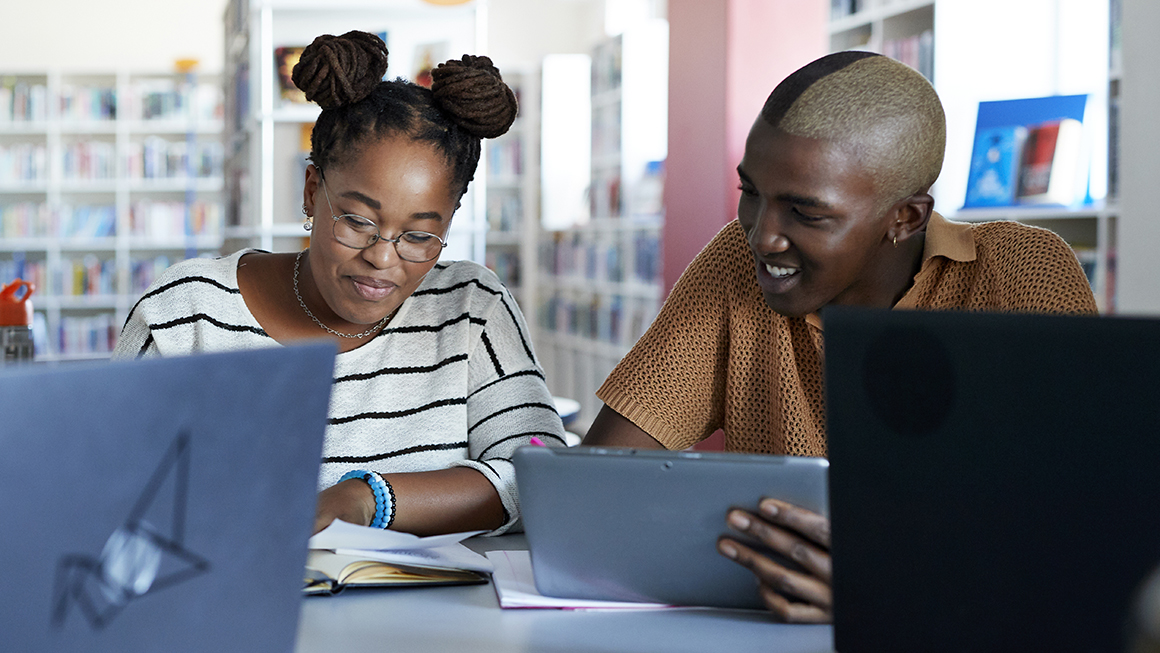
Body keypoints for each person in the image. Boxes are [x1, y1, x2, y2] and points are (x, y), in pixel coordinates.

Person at [583, 51, 1099, 622]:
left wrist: (892, 588)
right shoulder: (735, 261)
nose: (762, 236)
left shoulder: (1023, 273)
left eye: (805, 213)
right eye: (751, 192)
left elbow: (1094, 525)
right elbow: (599, 486)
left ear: (905, 218)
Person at [114, 31, 566, 538]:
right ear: (312, 192)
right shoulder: (186, 314)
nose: (381, 257)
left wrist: (364, 500)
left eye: (420, 235)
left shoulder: (470, 310)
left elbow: (544, 477)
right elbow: (105, 489)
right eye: (356, 220)